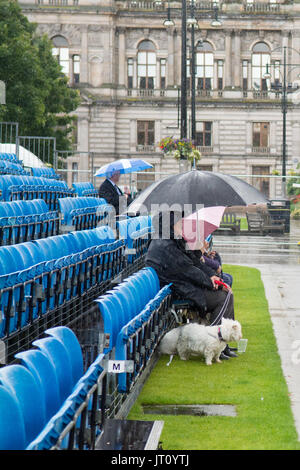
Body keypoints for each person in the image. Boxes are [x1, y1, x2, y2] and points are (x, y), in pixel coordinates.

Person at [145, 210, 237, 359]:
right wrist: (210, 282)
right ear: (170, 225)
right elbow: (187, 270)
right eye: (179, 224)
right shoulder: (165, 245)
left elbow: (194, 263)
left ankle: (223, 345)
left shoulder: (172, 241)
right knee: (223, 297)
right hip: (178, 289)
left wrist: (212, 276)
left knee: (226, 294)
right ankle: (214, 342)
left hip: (182, 285)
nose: (182, 226)